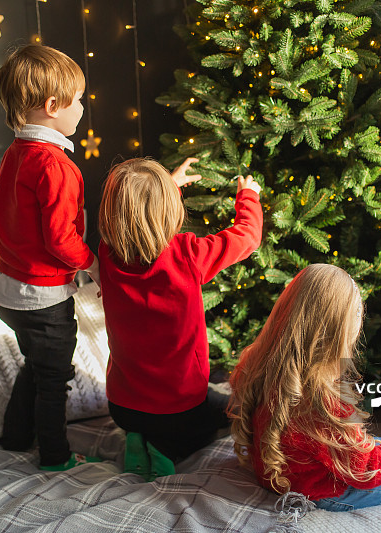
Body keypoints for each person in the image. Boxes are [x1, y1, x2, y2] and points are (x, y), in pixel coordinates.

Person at [228, 263, 381, 524]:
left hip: (281, 473)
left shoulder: (261, 361)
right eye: (357, 313)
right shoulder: (321, 399)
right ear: (339, 328)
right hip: (318, 492)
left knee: (380, 444)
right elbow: (365, 470)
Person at [97, 157, 263, 480]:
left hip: (122, 408)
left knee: (148, 420)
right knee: (226, 414)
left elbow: (134, 216)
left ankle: (136, 441)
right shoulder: (188, 255)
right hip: (178, 412)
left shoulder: (107, 254)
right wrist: (249, 196)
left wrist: (168, 185)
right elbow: (247, 237)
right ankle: (165, 450)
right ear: (169, 210)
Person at [0, 44, 100, 471]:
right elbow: (60, 238)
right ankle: (55, 456)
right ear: (53, 107)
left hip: (9, 293)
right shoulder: (54, 165)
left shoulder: (16, 154)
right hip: (43, 297)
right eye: (78, 100)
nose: (83, 107)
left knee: (36, 365)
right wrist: (92, 264)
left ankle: (15, 437)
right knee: (54, 379)